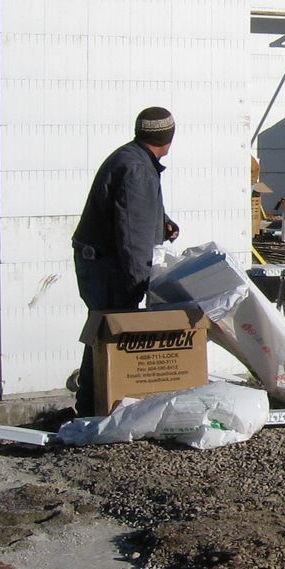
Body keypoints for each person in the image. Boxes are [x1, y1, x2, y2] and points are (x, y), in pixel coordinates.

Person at [69, 106, 180, 413]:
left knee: (103, 330)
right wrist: (141, 285)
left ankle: (93, 407)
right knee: (110, 331)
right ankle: (95, 409)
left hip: (100, 261)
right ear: (169, 139)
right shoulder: (138, 169)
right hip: (110, 267)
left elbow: (133, 211)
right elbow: (133, 235)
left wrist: (163, 222)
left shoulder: (130, 158)